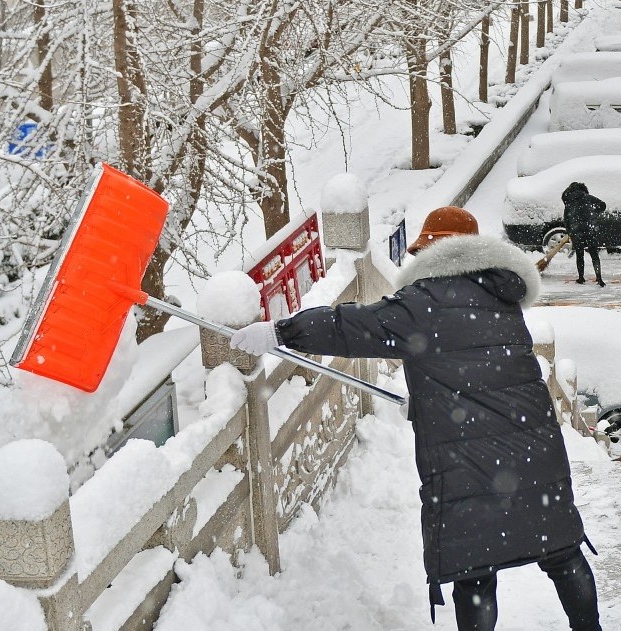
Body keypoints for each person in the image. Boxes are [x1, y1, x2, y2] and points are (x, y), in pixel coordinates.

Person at [229, 206, 601, 631]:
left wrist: (281, 332)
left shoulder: (421, 305)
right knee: (561, 549)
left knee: (474, 569)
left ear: (434, 252)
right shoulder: (502, 297)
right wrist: (429, 400)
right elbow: (483, 369)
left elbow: (349, 326)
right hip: (535, 449)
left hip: (468, 462)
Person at [561, 181, 606, 287]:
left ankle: (581, 278)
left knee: (579, 255)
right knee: (594, 255)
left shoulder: (569, 202)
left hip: (576, 231)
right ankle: (599, 278)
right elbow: (603, 205)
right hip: (589, 229)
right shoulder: (588, 198)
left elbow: (566, 219)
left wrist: (570, 232)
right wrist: (593, 212)